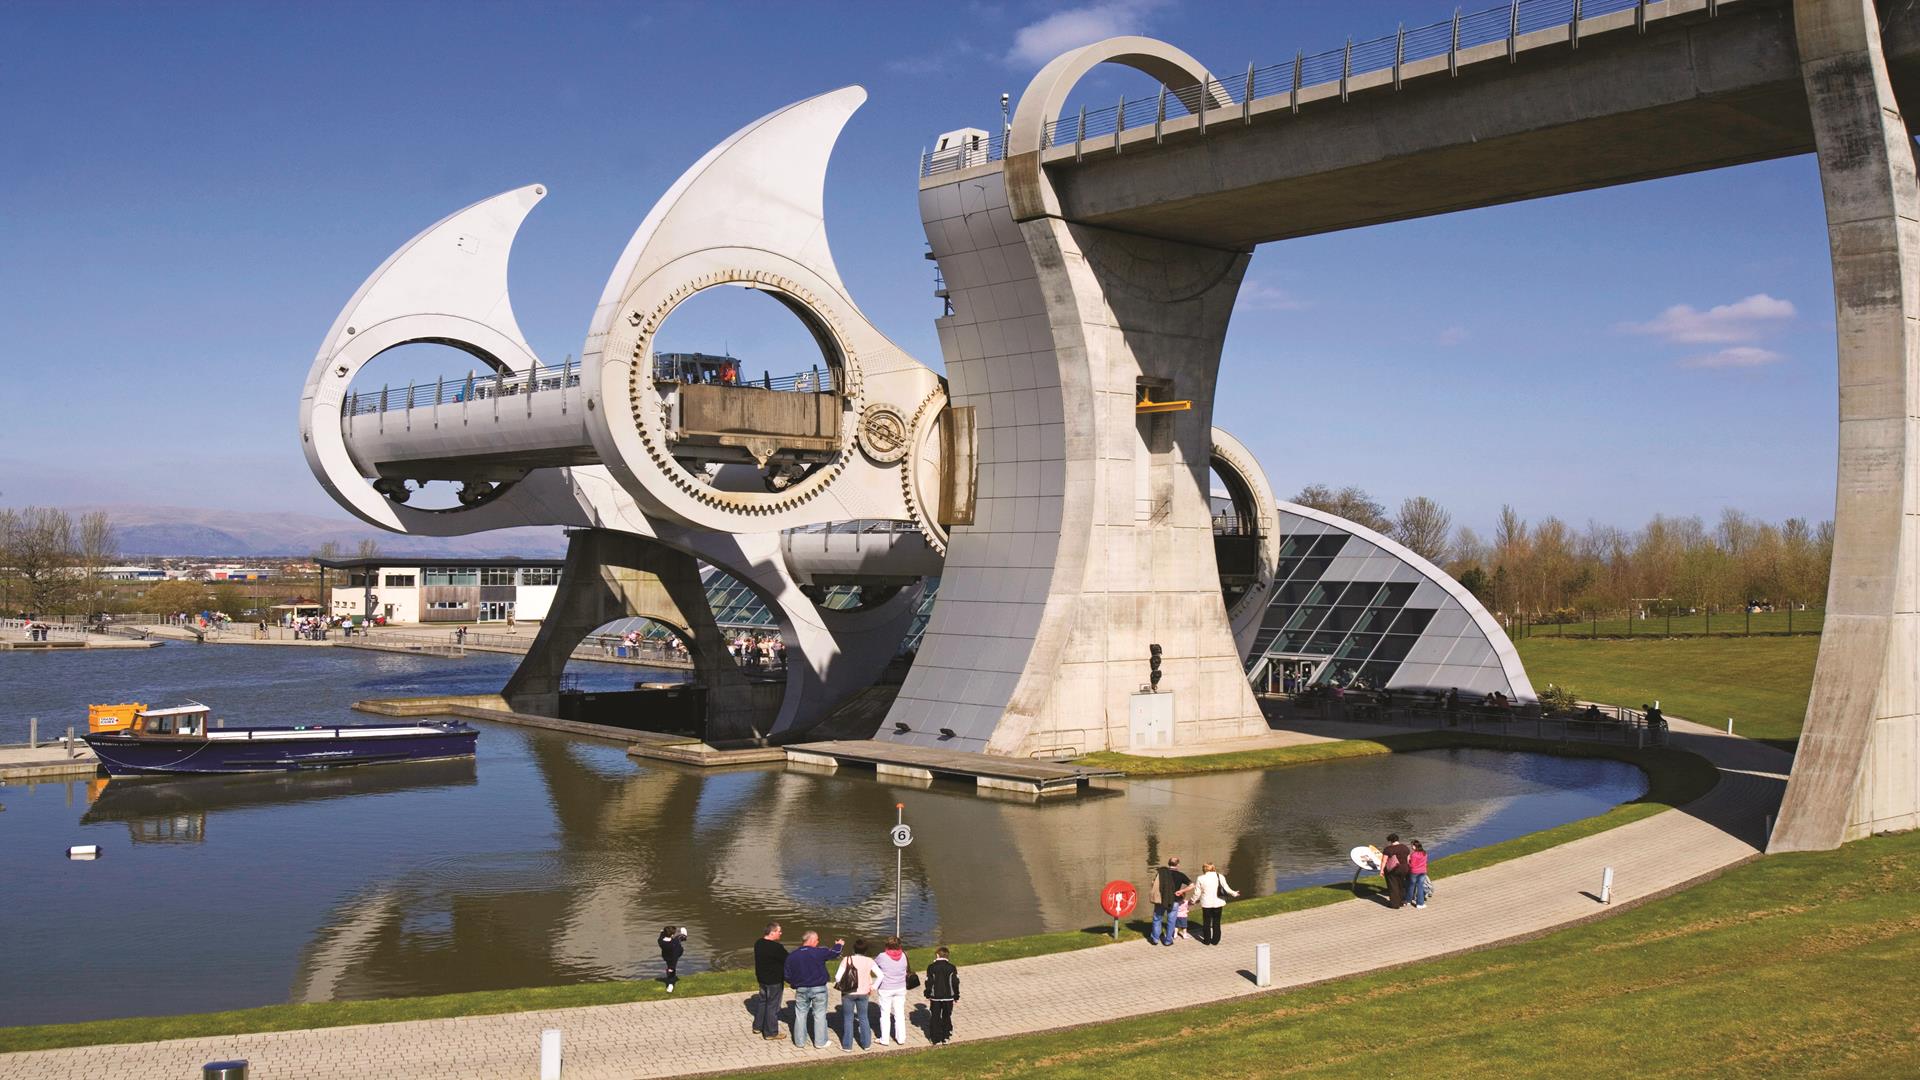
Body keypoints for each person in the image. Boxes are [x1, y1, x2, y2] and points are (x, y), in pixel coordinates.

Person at [783, 931, 843, 1049]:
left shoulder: (792, 955)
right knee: (819, 1014)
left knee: (800, 1014)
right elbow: (835, 953)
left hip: (801, 989)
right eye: (817, 940)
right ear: (811, 940)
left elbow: (786, 975)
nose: (818, 942)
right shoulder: (819, 952)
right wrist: (839, 944)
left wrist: (794, 984)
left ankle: (800, 1042)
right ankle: (820, 1042)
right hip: (819, 988)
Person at [833, 939, 878, 1051]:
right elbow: (881, 975)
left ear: (854, 949)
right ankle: (866, 1044)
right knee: (863, 1017)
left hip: (848, 993)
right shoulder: (869, 961)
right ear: (866, 950)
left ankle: (847, 1046)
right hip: (864, 993)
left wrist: (842, 984)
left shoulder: (846, 959)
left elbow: (837, 977)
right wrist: (873, 987)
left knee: (848, 1018)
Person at [873, 935, 912, 1046]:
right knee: (899, 1013)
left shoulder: (882, 956)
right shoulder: (904, 955)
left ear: (887, 945)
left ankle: (884, 1039)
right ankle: (901, 1038)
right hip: (900, 987)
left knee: (885, 1014)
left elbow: (874, 965)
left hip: (886, 988)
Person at [752, 922, 788, 1039]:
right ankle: (771, 1032)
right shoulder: (776, 947)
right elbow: (787, 959)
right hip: (774, 981)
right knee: (773, 1006)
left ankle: (758, 1026)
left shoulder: (758, 943)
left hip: (762, 979)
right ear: (772, 933)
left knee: (763, 1002)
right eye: (779, 931)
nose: (781, 933)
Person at [1192, 862, 1240, 945]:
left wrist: (1193, 900)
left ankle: (1206, 940)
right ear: (1213, 868)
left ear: (1204, 869)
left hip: (1206, 903)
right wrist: (1234, 893)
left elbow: (1197, 892)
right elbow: (1226, 888)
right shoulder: (1220, 876)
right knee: (1216, 922)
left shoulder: (1200, 878)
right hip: (1218, 902)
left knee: (1206, 922)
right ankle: (1215, 940)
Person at [1149, 856, 1191, 946]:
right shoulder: (1180, 875)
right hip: (1174, 901)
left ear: (1168, 864)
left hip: (1161, 899)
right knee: (1171, 920)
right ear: (1178, 864)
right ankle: (1168, 940)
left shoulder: (1161, 873)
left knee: (1157, 919)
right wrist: (1181, 891)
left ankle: (1155, 939)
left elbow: (1153, 883)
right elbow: (1192, 885)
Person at [923, 945, 960, 1045]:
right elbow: (955, 982)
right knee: (946, 1016)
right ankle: (946, 1036)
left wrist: (927, 993)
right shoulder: (951, 967)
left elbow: (929, 982)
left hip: (935, 997)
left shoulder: (931, 967)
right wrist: (956, 995)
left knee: (935, 1016)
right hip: (948, 997)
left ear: (937, 955)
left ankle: (935, 1038)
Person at [1381, 833, 1413, 909]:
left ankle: (1394, 904)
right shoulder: (1405, 847)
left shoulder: (1388, 849)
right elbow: (1408, 859)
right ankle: (1401, 902)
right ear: (1397, 839)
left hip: (1393, 870)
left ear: (1390, 841)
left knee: (1393, 886)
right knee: (1401, 885)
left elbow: (1384, 861)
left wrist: (1381, 870)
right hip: (1404, 868)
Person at [658, 926, 685, 993]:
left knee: (670, 968)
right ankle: (671, 985)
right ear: (672, 935)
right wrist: (672, 967)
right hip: (674, 956)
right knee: (671, 970)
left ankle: (683, 936)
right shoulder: (674, 942)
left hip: (666, 956)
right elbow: (675, 954)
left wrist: (662, 933)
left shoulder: (660, 941)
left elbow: (661, 937)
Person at [1407, 840, 1431, 909]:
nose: (1411, 847)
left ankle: (1408, 900)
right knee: (1420, 887)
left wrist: (1408, 860)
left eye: (1412, 845)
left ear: (1415, 846)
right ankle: (1420, 903)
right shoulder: (1424, 853)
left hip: (1414, 872)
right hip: (1423, 871)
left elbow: (1412, 865)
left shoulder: (1413, 855)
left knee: (1411, 886)